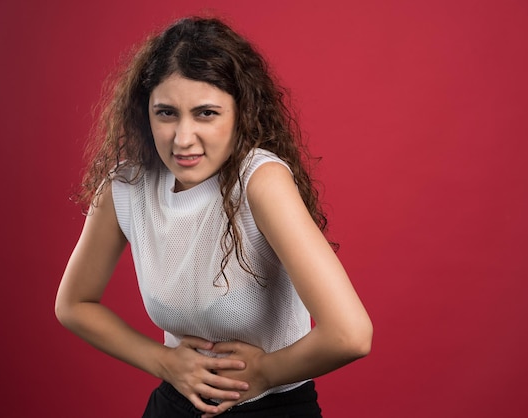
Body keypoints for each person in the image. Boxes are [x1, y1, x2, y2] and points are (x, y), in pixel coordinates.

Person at [55, 16, 372, 418]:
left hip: (268, 408)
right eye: (166, 113)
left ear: (241, 112)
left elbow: (351, 335)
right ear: (144, 112)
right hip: (173, 405)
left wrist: (264, 373)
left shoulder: (261, 181)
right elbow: (73, 304)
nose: (182, 138)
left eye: (206, 113)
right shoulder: (128, 185)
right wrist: (163, 361)